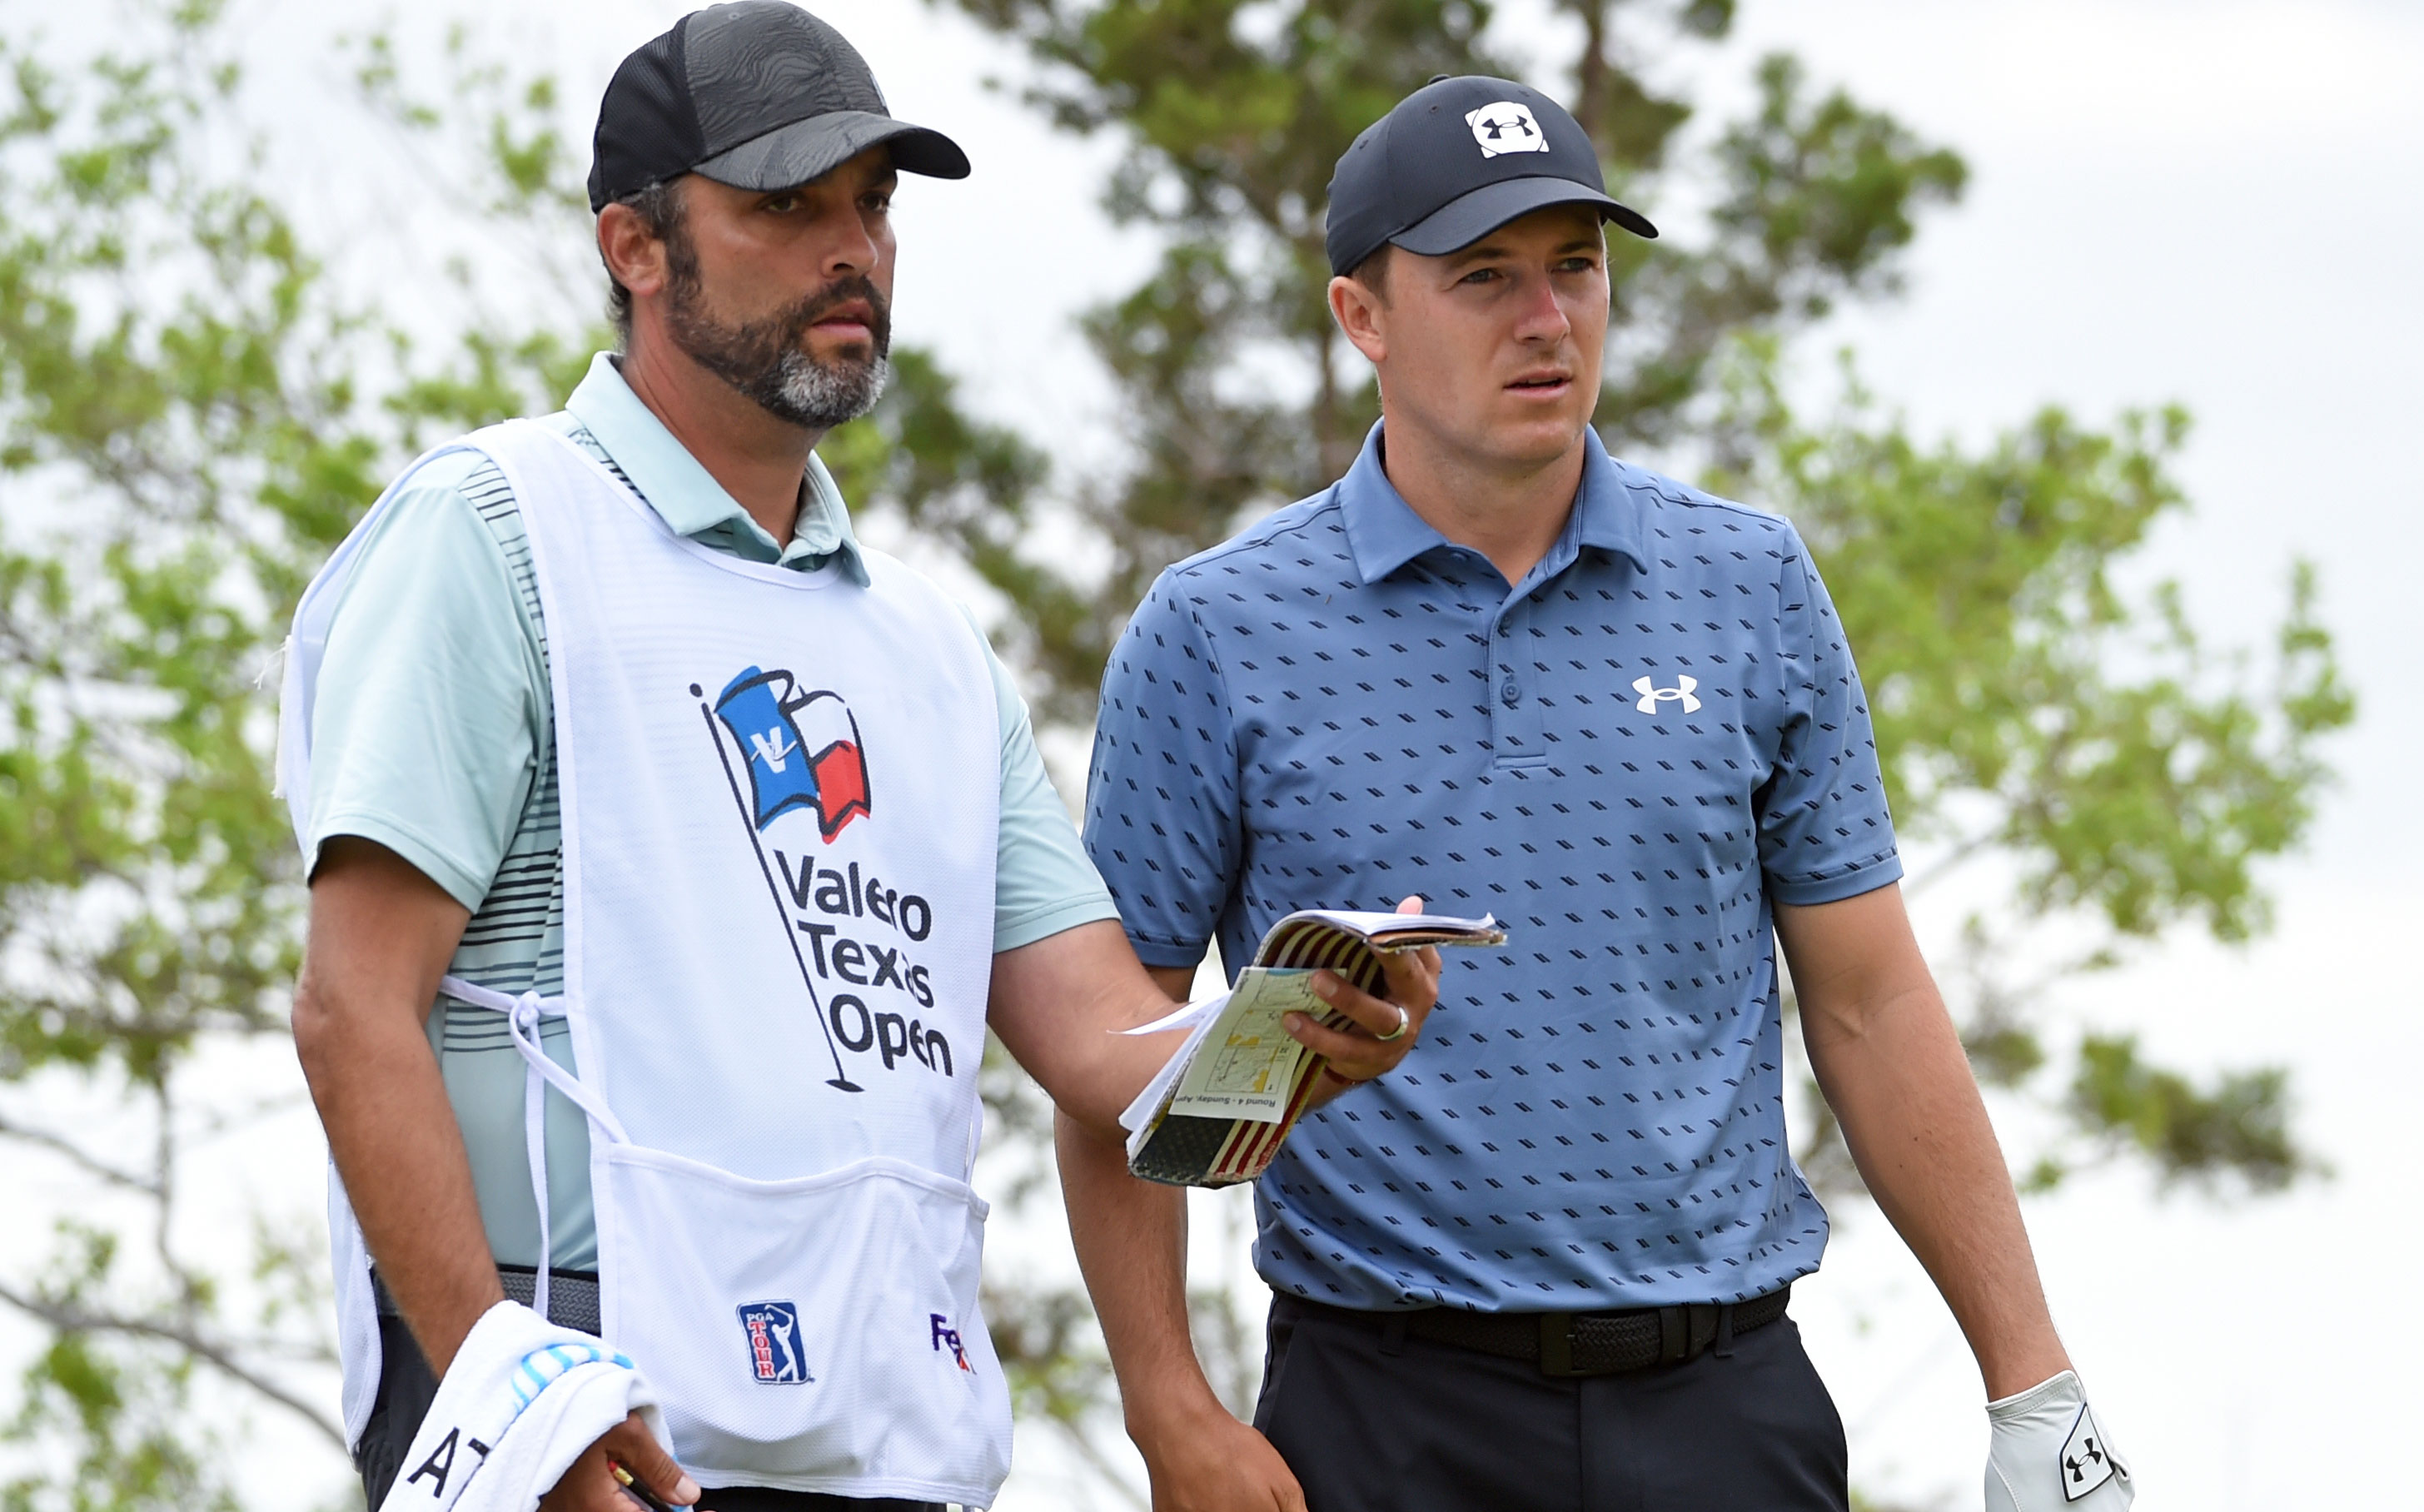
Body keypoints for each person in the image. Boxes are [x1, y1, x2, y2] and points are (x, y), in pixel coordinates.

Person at [279, 7, 1437, 1510]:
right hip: (582, 1404)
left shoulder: (928, 651)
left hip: (875, 1424)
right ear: (634, 247)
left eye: (873, 204)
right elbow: (349, 1007)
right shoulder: (494, 528)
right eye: (785, 205)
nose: (853, 249)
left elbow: (1103, 1050)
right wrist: (511, 1411)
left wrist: (1302, 1027)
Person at [1068, 76, 2133, 1512]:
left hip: (1724, 1408)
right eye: (1483, 278)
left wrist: (2032, 1383)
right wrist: (1166, 1412)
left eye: (1575, 266)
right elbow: (1109, 1055)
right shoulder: (1215, 629)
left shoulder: (1748, 584)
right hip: (1381, 1417)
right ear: (1361, 318)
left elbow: (1872, 1000)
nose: (1545, 318)